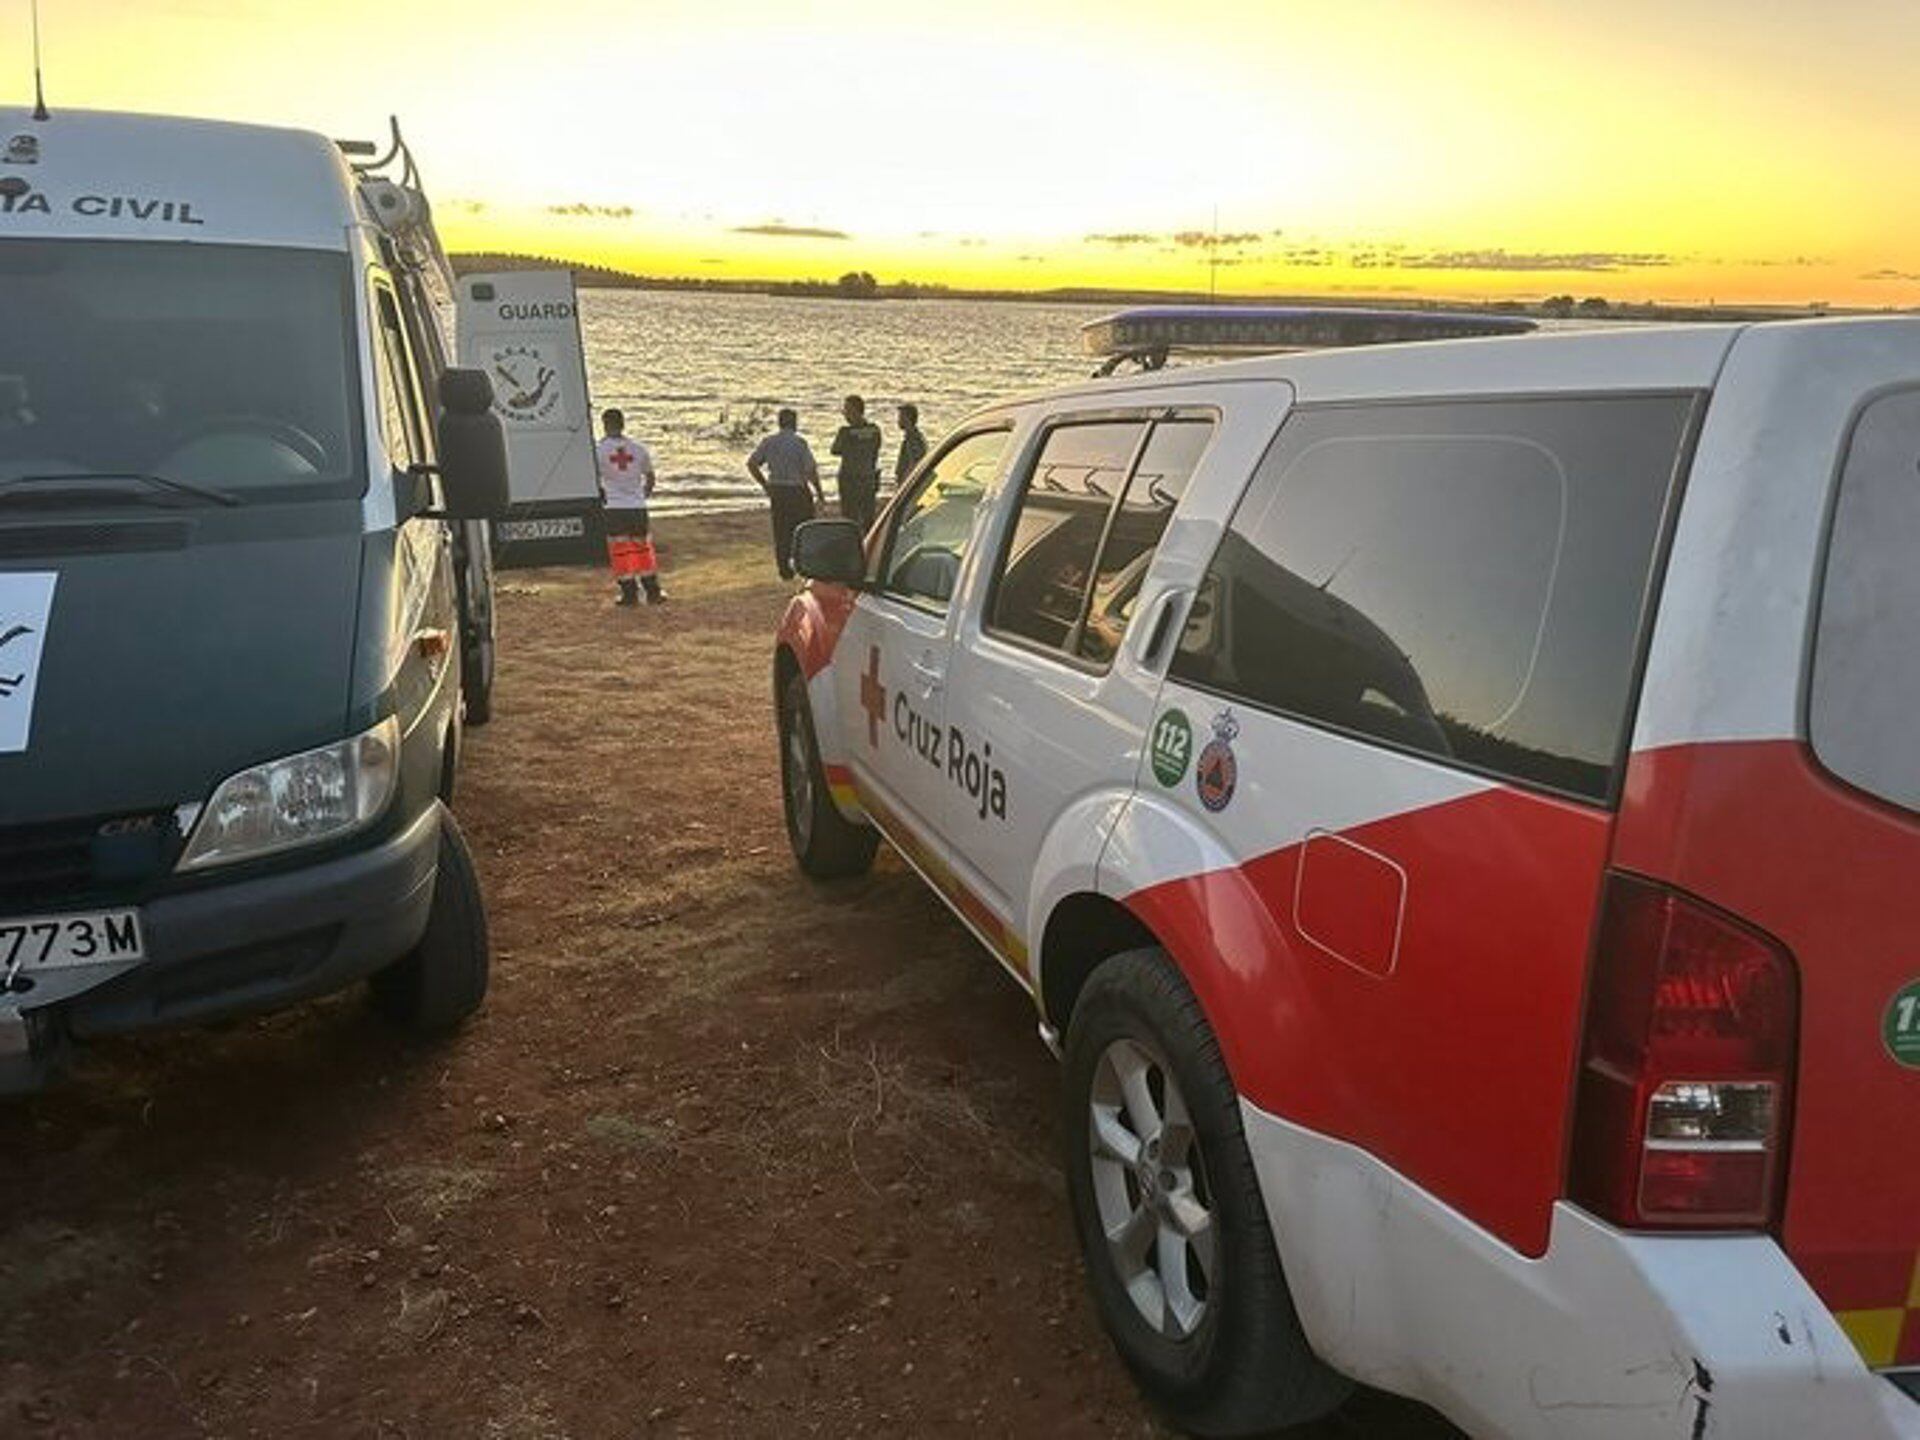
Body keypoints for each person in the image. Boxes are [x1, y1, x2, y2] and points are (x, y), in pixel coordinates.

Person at [595, 408, 665, 607]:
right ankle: (653, 591)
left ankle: (629, 593)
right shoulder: (638, 448)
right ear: (623, 423)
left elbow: (594, 478)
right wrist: (643, 496)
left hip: (614, 506)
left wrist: (602, 495)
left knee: (620, 550)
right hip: (636, 506)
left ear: (605, 424)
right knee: (642, 548)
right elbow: (650, 477)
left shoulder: (598, 450)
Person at [748, 408, 825, 580]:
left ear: (780, 422)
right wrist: (819, 492)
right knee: (803, 528)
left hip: (778, 489)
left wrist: (765, 485)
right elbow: (810, 470)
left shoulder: (769, 442)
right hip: (797, 489)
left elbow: (752, 464)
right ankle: (803, 565)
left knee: (781, 530)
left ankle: (784, 570)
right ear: (794, 423)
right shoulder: (799, 443)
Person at [830, 394, 883, 532]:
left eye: (847, 410)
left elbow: (835, 450)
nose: (845, 414)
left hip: (850, 478)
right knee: (867, 517)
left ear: (855, 410)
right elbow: (876, 450)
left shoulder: (846, 432)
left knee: (850, 517)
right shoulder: (874, 430)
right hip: (868, 477)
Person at [895, 402, 927, 487]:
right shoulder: (912, 437)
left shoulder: (913, 439)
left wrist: (905, 484)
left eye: (901, 417)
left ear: (907, 418)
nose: (898, 420)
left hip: (908, 483)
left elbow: (915, 463)